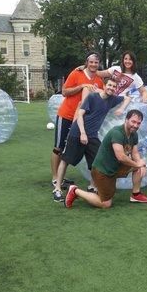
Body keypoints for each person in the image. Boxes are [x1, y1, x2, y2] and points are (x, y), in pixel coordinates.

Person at [52, 78, 130, 201]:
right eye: (109, 85)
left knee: (97, 162)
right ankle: (57, 189)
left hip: (92, 136)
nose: (111, 88)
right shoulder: (92, 97)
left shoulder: (112, 99)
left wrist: (122, 108)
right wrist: (82, 133)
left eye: (114, 87)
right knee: (66, 159)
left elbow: (127, 98)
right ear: (104, 86)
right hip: (77, 133)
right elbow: (80, 115)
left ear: (115, 89)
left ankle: (92, 186)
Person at [64, 109, 147, 208]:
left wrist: (141, 164)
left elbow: (135, 153)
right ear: (126, 119)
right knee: (106, 204)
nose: (135, 125)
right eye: (133, 121)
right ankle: (75, 190)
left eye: (138, 123)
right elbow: (121, 157)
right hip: (103, 171)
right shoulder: (117, 133)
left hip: (116, 167)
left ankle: (136, 195)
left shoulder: (134, 134)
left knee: (140, 165)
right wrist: (138, 164)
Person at [50, 53, 104, 199]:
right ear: (87, 62)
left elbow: (101, 97)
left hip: (83, 121)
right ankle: (55, 178)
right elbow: (64, 92)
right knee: (59, 147)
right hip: (67, 115)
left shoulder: (99, 79)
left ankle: (91, 184)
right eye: (91, 62)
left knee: (74, 150)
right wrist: (81, 86)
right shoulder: (76, 73)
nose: (93, 64)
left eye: (96, 62)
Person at [79, 51, 147, 102]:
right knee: (87, 88)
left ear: (133, 61)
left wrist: (144, 97)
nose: (127, 61)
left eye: (130, 59)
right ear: (123, 60)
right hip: (107, 95)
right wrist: (86, 66)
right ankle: (83, 110)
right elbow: (99, 73)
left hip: (118, 101)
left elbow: (143, 91)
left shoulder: (136, 77)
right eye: (126, 59)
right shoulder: (116, 69)